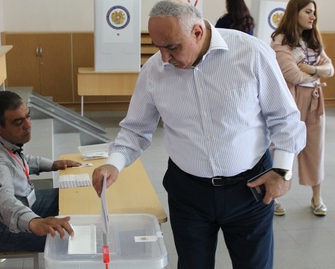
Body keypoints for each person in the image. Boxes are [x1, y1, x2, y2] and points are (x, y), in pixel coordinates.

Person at [91, 0, 306, 268]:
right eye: (158, 47)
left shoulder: (250, 53)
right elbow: (136, 129)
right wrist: (115, 163)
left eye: (172, 47)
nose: (165, 58)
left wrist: (283, 170)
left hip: (250, 189)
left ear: (197, 32)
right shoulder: (154, 71)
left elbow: (285, 118)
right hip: (189, 194)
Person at [0, 90, 80, 252]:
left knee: (72, 195)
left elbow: (16, 158)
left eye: (28, 116)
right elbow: (3, 200)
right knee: (68, 239)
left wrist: (52, 164)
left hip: (17, 203)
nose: (28, 125)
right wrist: (34, 222)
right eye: (18, 122)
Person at [271, 0, 334, 217]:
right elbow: (293, 76)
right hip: (290, 99)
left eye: (314, 12)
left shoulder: (312, 40)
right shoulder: (280, 41)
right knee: (282, 147)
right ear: (294, 12)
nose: (313, 17)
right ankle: (273, 195)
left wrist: (310, 68)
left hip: (315, 99)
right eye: (308, 12)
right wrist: (317, 72)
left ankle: (317, 197)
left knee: (315, 148)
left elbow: (330, 68)